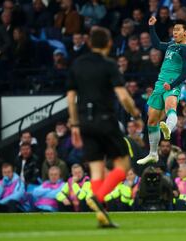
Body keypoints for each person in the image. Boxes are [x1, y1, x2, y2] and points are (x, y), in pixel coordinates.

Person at [66, 26, 142, 228]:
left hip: (84, 123)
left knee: (97, 171)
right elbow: (123, 96)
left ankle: (102, 216)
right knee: (124, 165)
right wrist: (135, 114)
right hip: (105, 121)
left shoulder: (77, 65)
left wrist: (74, 124)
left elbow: (71, 98)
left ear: (89, 43)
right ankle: (98, 197)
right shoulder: (109, 65)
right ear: (109, 44)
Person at [137, 16, 186, 165]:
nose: (174, 32)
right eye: (174, 30)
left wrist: (173, 84)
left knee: (170, 107)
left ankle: (168, 128)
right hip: (159, 84)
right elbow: (156, 44)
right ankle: (153, 153)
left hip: (172, 85)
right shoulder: (171, 45)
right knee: (152, 120)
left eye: (178, 30)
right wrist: (151, 27)